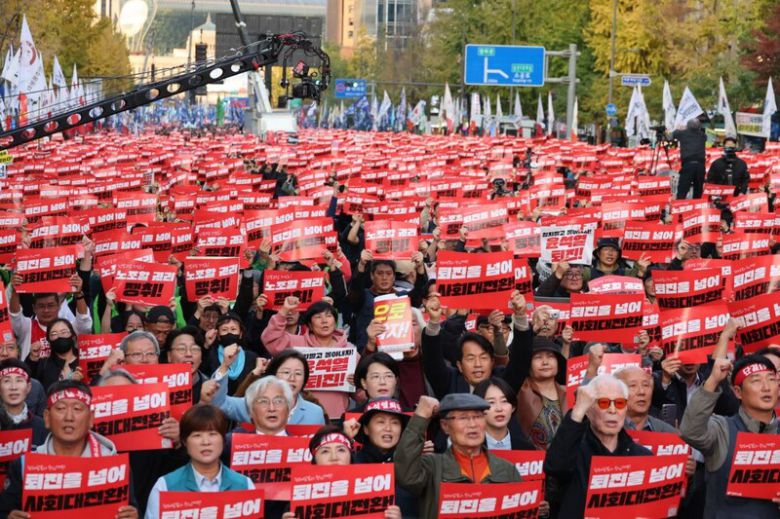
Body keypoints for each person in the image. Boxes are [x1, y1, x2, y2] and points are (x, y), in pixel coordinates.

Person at [0, 380, 139, 518]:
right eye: (60, 408)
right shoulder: (24, 466)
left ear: (91, 418)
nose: (69, 417)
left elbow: (130, 509)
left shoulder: (114, 466)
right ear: (47, 418)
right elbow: (4, 511)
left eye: (77, 409)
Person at [680, 355, 780, 516]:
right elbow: (691, 431)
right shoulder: (722, 429)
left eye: (771, 379)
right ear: (738, 391)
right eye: (756, 381)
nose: (766, 387)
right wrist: (712, 380)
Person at [395, 394, 521, 518]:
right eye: (463, 418)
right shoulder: (432, 467)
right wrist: (421, 416)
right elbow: (405, 473)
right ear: (445, 426)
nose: (472, 424)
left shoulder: (508, 470)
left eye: (478, 416)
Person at [544, 374, 652, 518]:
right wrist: (578, 411)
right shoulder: (572, 452)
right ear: (588, 410)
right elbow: (555, 466)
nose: (612, 410)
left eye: (619, 403)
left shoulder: (643, 457)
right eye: (603, 403)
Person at [144, 404, 254, 519]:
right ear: (184, 441)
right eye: (197, 435)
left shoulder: (244, 485)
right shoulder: (165, 486)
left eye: (212, 434)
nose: (205, 442)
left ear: (223, 439)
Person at [262, 299, 354, 418]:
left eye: (328, 316)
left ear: (335, 321)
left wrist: (357, 382)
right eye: (318, 317)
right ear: (309, 325)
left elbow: (361, 393)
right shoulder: (296, 343)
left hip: (336, 418)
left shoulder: (349, 351)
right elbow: (271, 339)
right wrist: (284, 311)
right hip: (299, 416)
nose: (324, 321)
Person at [203, 349, 326, 425]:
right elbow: (219, 403)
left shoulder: (315, 412)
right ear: (273, 374)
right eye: (286, 372)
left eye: (298, 373)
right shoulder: (252, 404)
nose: (292, 378)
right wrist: (225, 366)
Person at [9, 274, 92, 362]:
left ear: (59, 306)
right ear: (34, 308)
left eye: (50, 305)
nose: (46, 310)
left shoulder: (68, 328)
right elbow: (15, 315)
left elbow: (84, 324)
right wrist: (15, 291)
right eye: (41, 306)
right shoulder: (27, 327)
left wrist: (78, 294)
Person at [516, 337, 568, 450]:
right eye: (538, 357)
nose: (545, 362)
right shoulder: (519, 390)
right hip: (532, 462)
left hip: (568, 462)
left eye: (550, 357)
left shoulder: (570, 392)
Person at [473, 378, 535, 451]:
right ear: (479, 408)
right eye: (491, 402)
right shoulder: (470, 448)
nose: (499, 409)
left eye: (504, 401)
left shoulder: (526, 449)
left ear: (513, 407)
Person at [204, 314, 258, 395]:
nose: (229, 333)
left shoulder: (251, 357)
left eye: (233, 329)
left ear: (240, 334)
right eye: (224, 330)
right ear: (218, 335)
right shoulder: (211, 354)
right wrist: (207, 345)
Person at [0, 359, 47, 446]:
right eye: (7, 381)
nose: (13, 387)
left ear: (28, 387)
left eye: (19, 380)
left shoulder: (42, 426)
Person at [616, 366, 676, 432]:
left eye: (646, 385)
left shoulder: (668, 433)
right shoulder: (606, 430)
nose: (642, 392)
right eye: (633, 385)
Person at [26, 318, 81, 391]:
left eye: (64, 332)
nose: (59, 336)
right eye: (54, 334)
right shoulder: (44, 364)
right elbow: (26, 381)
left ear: (73, 337)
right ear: (48, 341)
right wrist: (32, 359)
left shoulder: (83, 360)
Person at [0, 336, 45, 416]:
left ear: (18, 351)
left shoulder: (35, 386)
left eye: (10, 347)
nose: (4, 353)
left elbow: (42, 423)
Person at [164, 326, 207, 404]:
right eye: (181, 349)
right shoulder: (157, 387)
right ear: (169, 356)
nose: (188, 354)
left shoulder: (210, 388)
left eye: (194, 349)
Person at [673, 118, 707, 199]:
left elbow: (672, 135)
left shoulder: (682, 133)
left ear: (687, 126)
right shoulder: (703, 135)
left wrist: (679, 129)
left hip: (688, 165)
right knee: (698, 191)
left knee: (682, 191)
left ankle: (679, 207)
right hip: (700, 166)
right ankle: (697, 208)